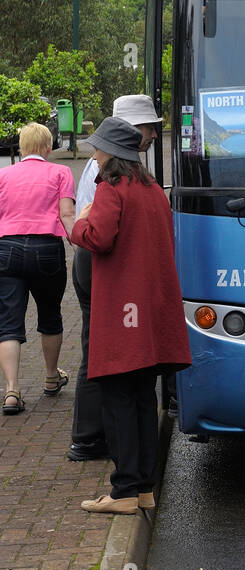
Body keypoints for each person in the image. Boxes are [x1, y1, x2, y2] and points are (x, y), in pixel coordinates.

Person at [71, 118, 190, 515]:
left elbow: (98, 238)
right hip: (150, 312)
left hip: (123, 312)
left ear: (112, 154)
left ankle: (122, 491)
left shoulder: (110, 189)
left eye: (99, 148)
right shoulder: (153, 189)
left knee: (117, 399)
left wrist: (77, 222)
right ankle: (143, 489)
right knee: (142, 399)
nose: (94, 153)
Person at [67, 95, 161, 462]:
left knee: (102, 347)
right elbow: (97, 230)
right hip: (96, 261)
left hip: (99, 258)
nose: (153, 133)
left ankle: (95, 434)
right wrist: (78, 227)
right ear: (131, 131)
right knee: (99, 349)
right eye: (148, 126)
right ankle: (89, 437)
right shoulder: (111, 171)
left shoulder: (120, 169)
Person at [0, 123, 75, 414]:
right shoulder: (60, 172)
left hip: (7, 249)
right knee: (50, 314)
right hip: (46, 250)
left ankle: (11, 391)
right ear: (48, 147)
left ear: (21, 147)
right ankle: (50, 377)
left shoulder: (4, 175)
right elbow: (67, 213)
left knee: (8, 322)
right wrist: (80, 243)